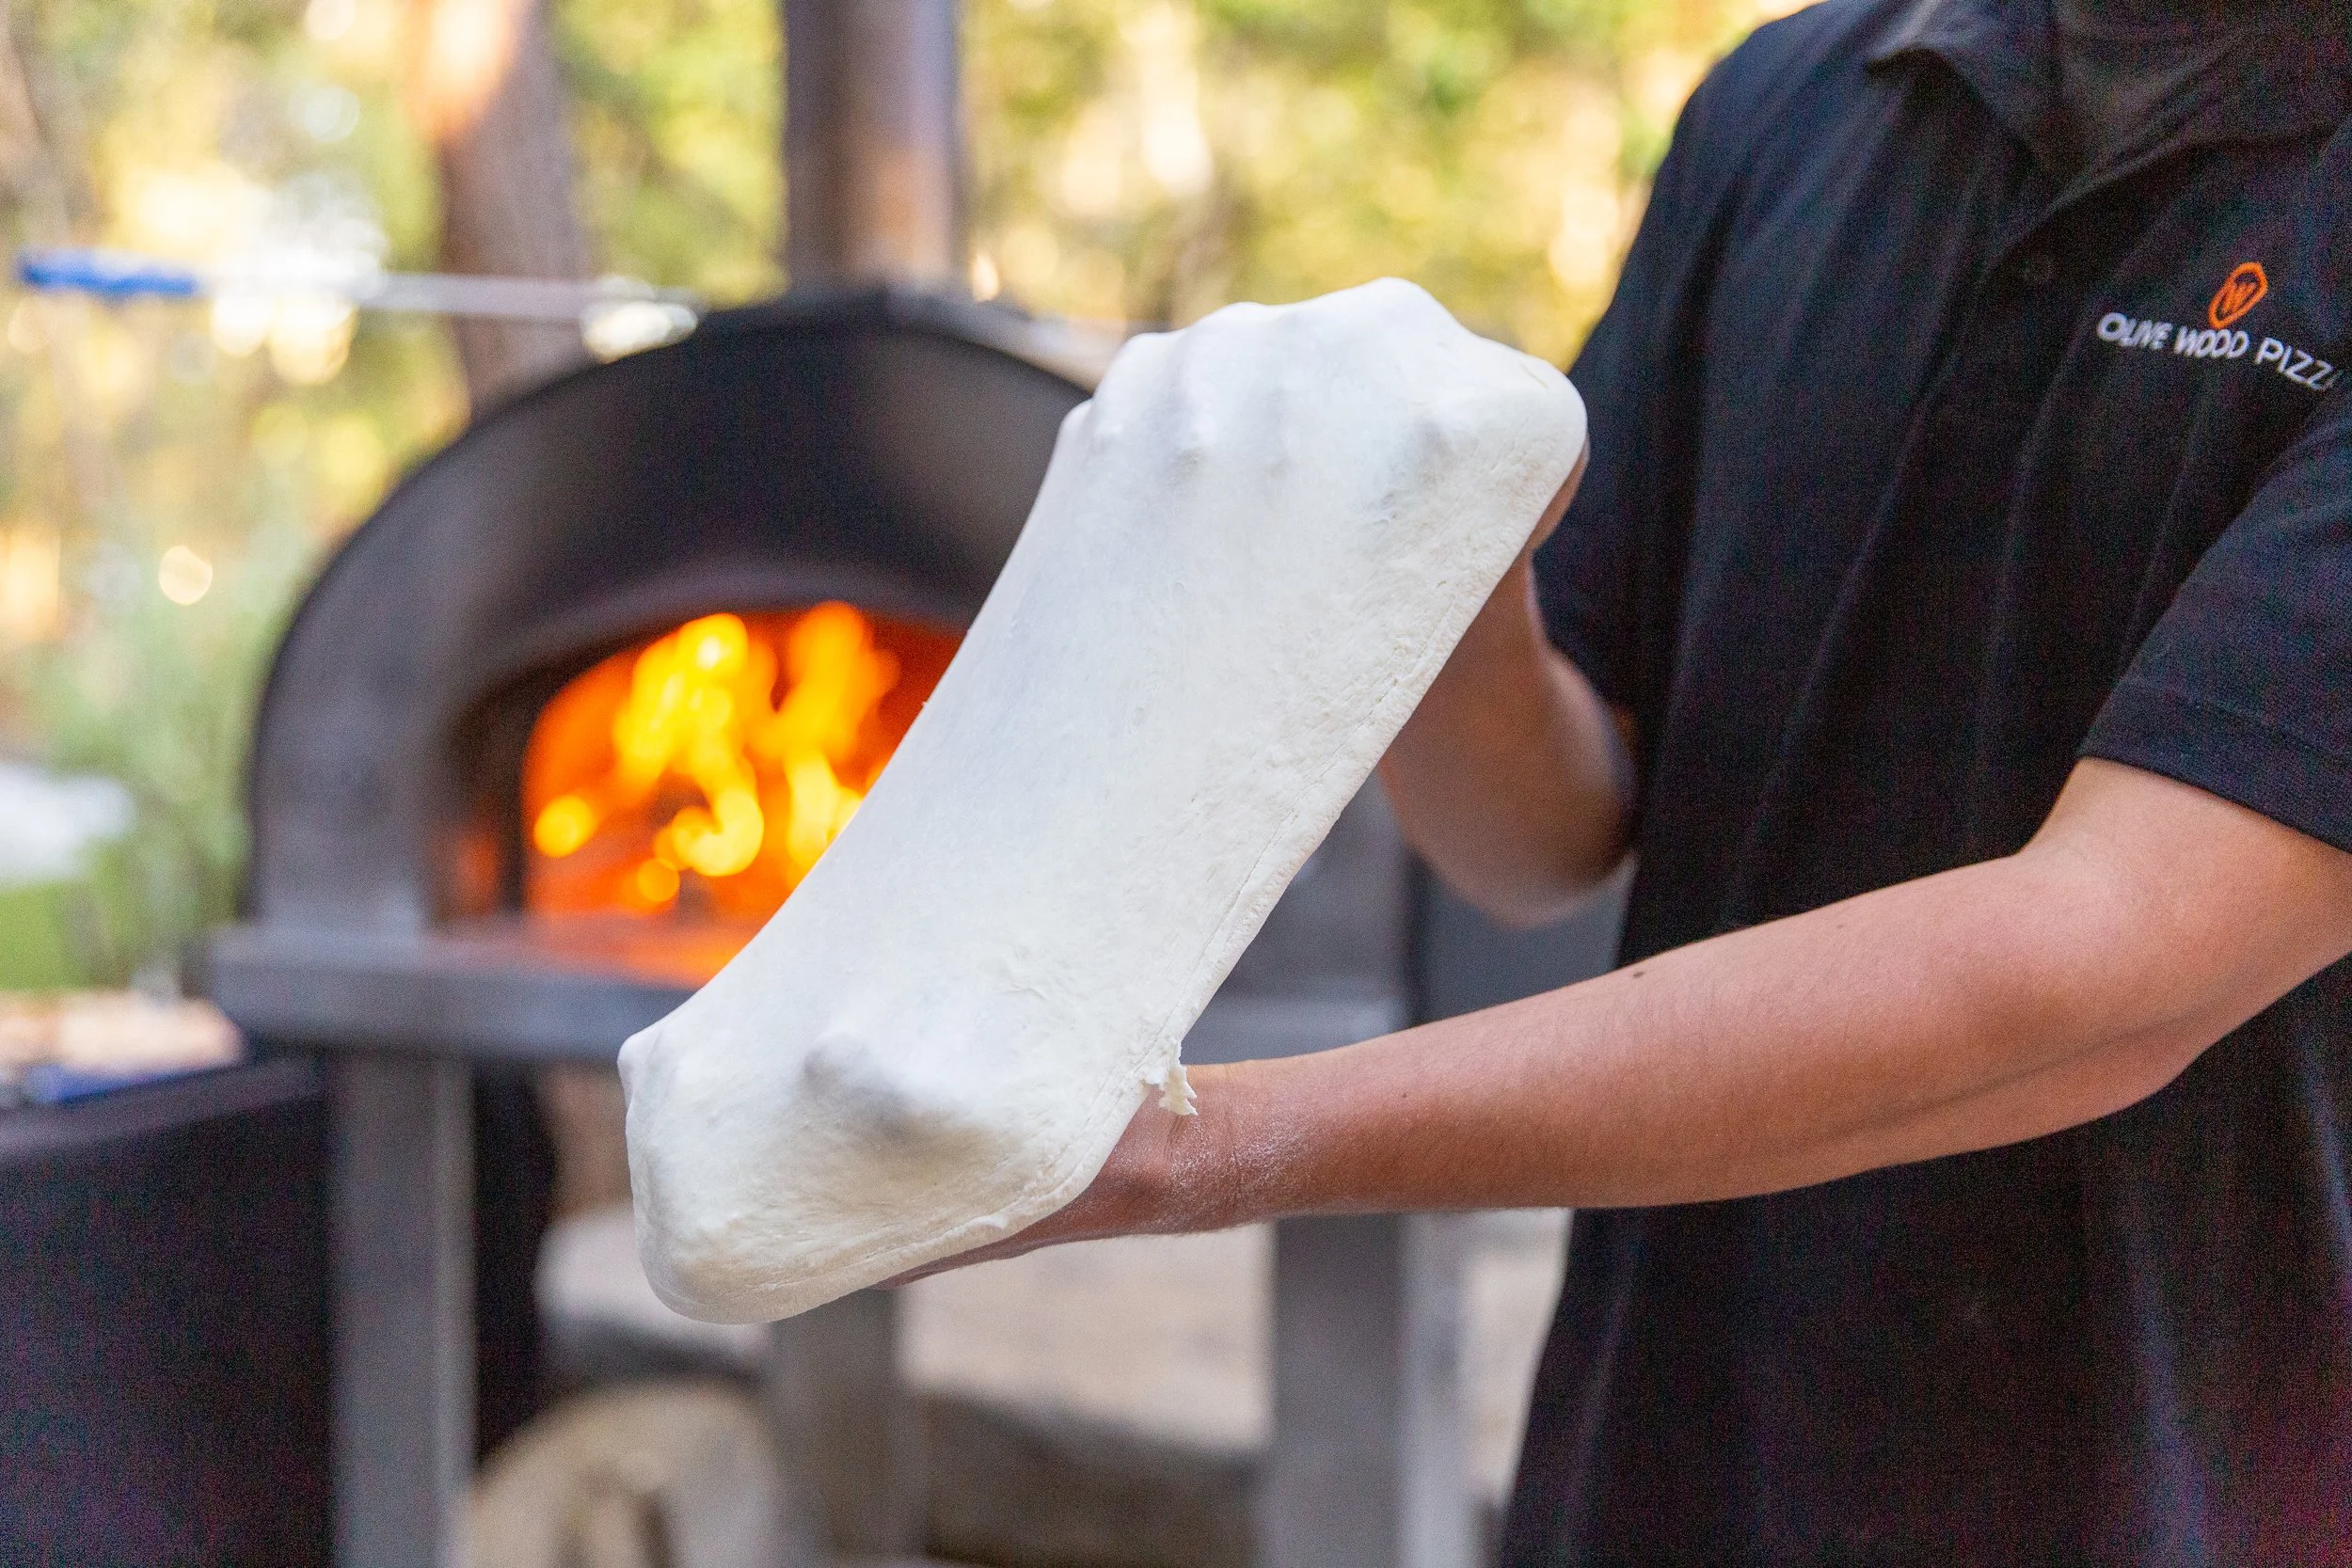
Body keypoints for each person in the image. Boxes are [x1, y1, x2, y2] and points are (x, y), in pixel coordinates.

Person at [919, 0, 2352, 1556]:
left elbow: (2097, 967)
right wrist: (1441, 564)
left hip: (2176, 1495)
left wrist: (1188, 1144)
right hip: (1655, 1471)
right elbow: (1546, 830)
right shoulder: (1794, 103)